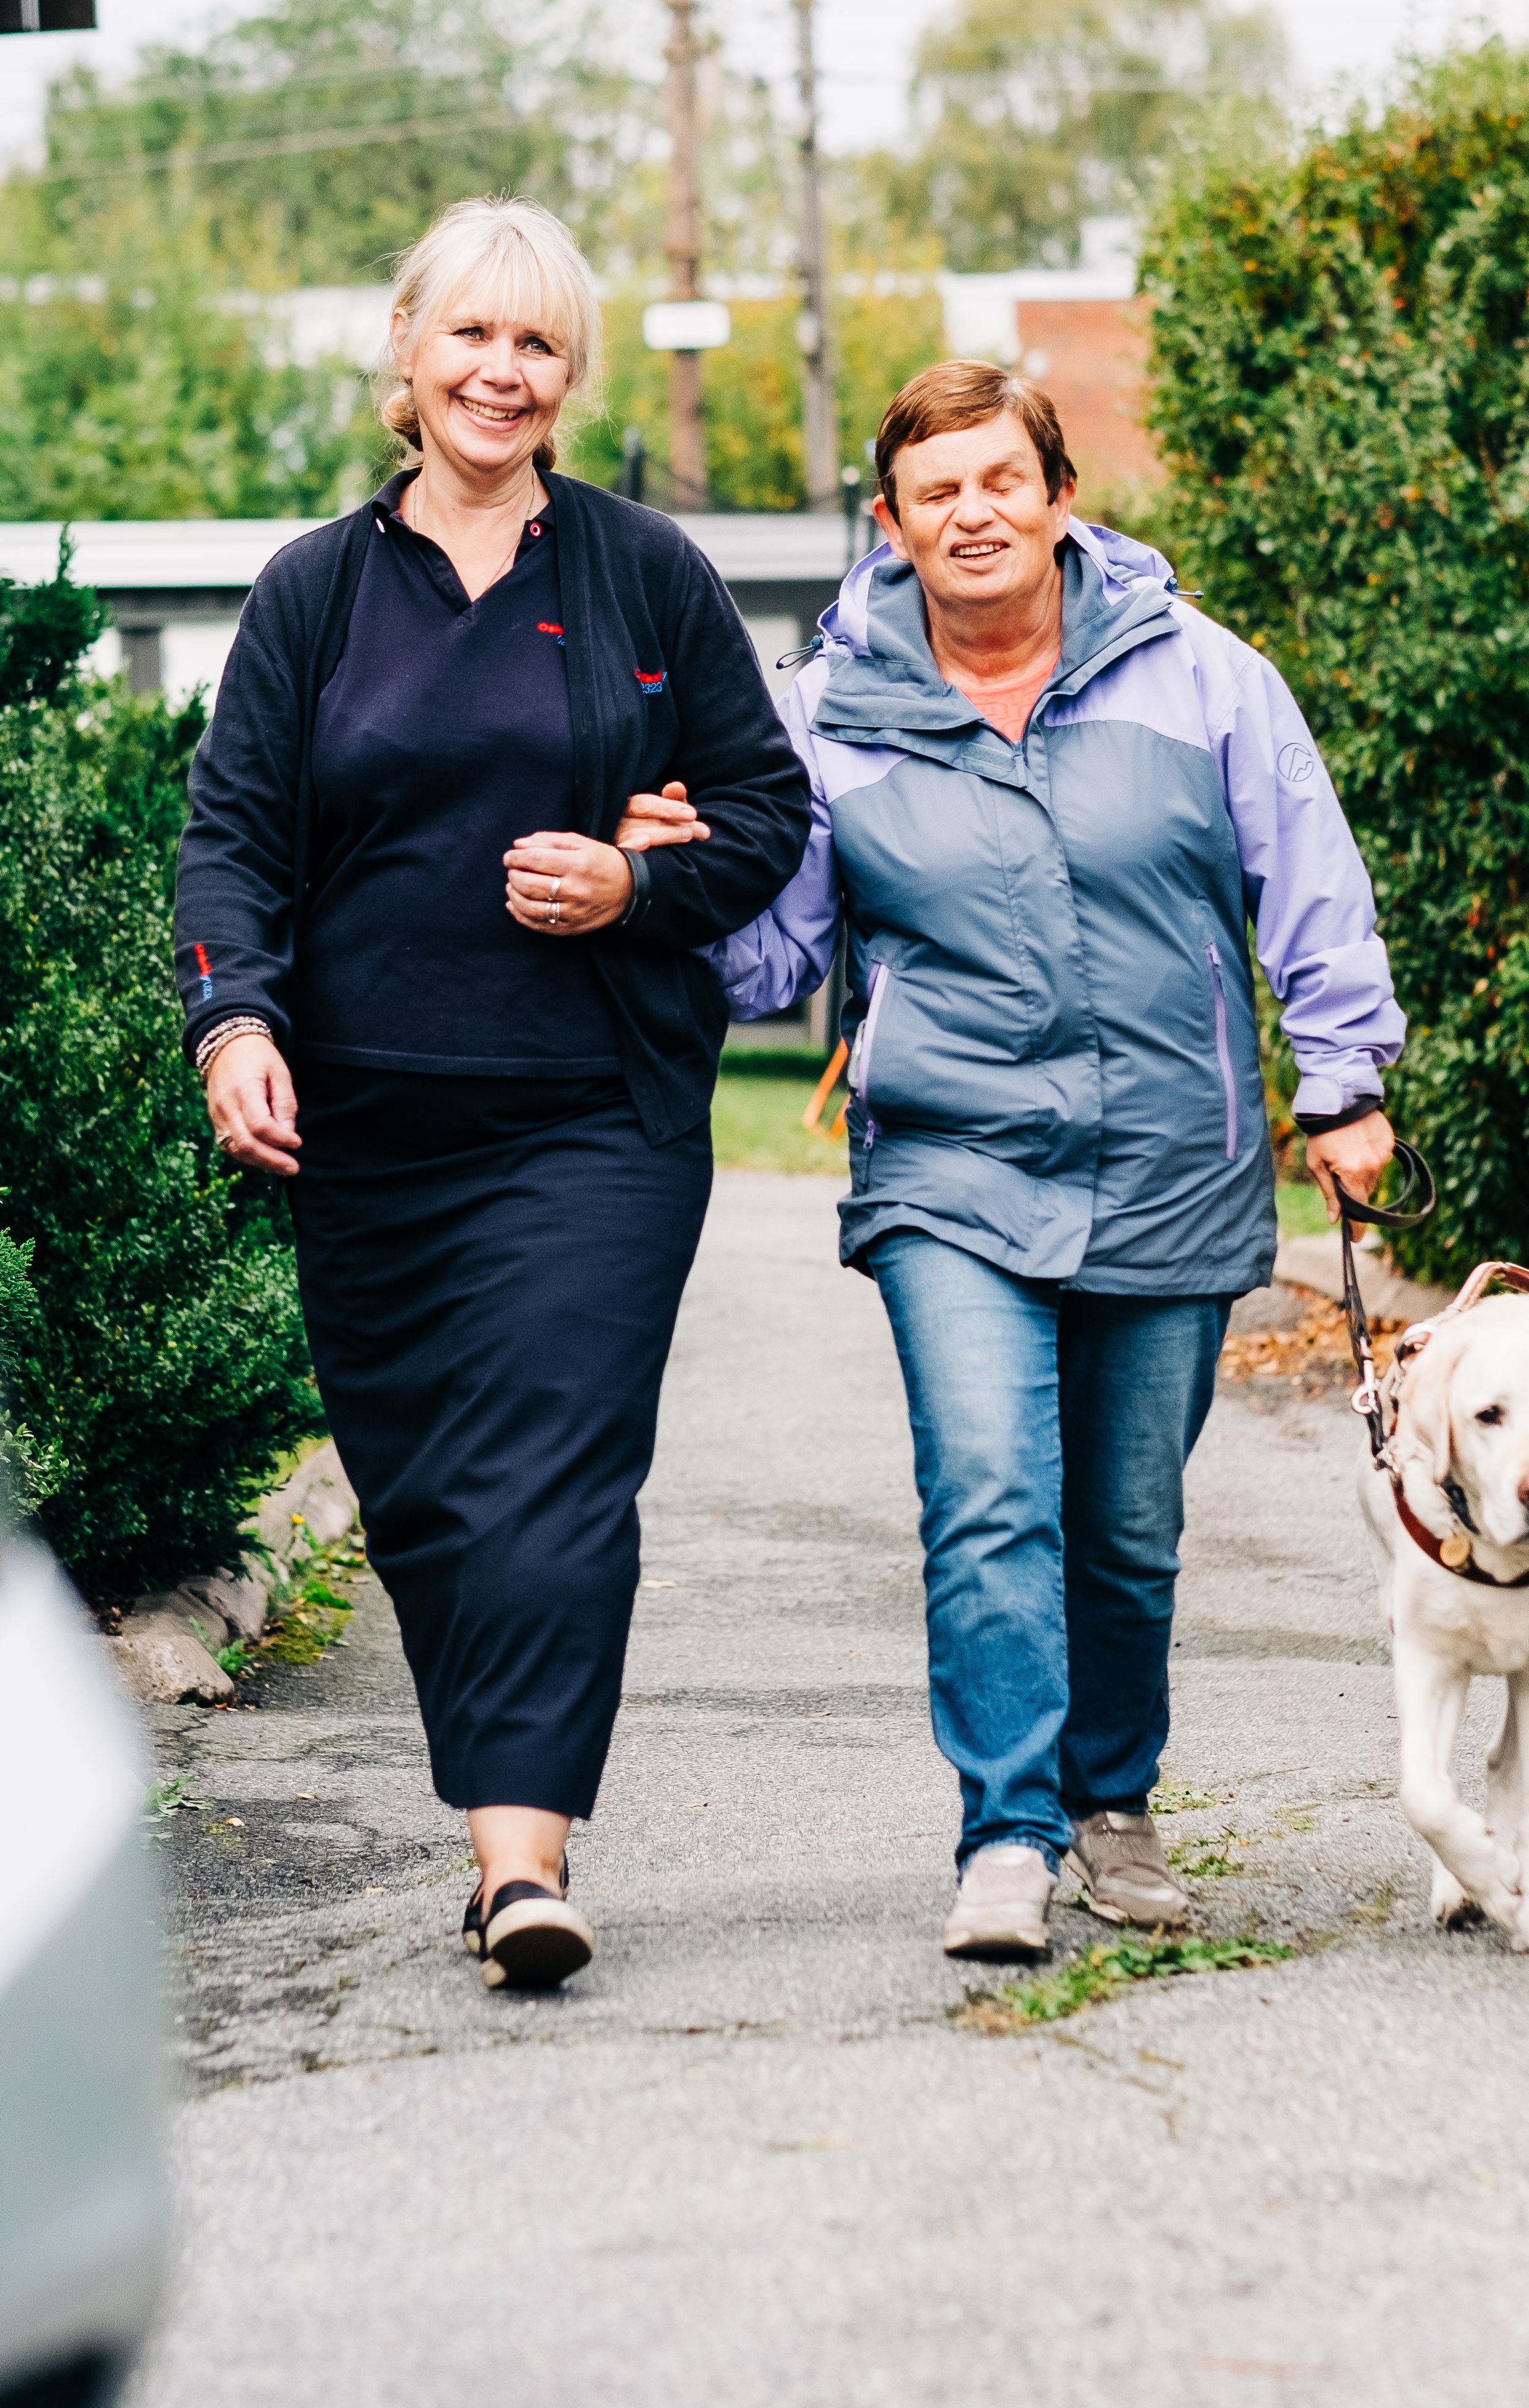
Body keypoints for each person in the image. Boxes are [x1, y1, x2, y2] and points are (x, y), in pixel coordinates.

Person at [171, 197, 810, 1992]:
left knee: (551, 1470)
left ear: (570, 373)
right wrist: (234, 1025)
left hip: (591, 1116)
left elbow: (765, 811)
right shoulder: (313, 593)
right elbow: (232, 843)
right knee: (427, 1498)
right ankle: (502, 1834)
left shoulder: (643, 574)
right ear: (407, 349)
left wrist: (635, 885)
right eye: (471, 333)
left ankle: (521, 1862)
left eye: (536, 342)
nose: (501, 371)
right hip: (367, 1129)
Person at [710, 361, 1407, 1960]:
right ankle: (1007, 1832)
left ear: (1059, 499)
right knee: (989, 1492)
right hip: (946, 1166)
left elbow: (1307, 875)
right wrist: (672, 883)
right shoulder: (825, 714)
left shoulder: (1203, 677)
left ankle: (1113, 1801)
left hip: (1172, 1156)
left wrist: (1343, 1079)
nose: (972, 514)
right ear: (890, 523)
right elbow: (773, 958)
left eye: (999, 481)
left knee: (1126, 1524)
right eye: (936, 491)